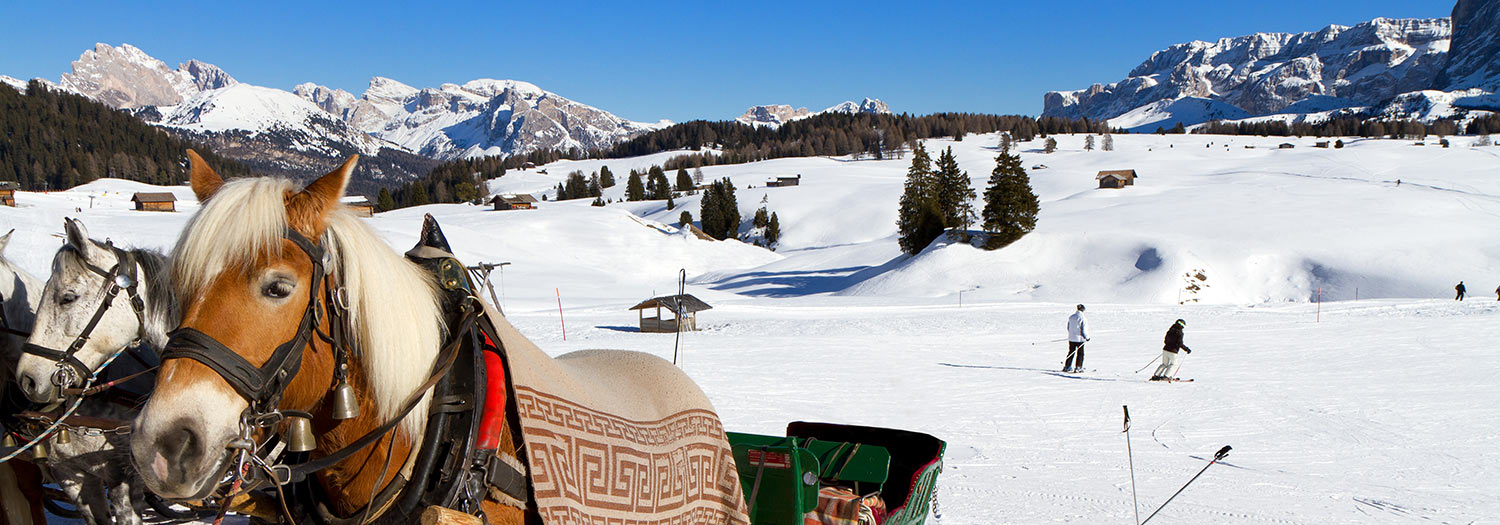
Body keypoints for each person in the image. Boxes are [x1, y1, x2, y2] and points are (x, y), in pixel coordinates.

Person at [1063, 304, 1089, 373]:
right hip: (1079, 339)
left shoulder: (1071, 317)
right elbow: (1083, 330)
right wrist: (1087, 337)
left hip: (1071, 338)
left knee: (1071, 352)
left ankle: (1067, 366)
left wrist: (1071, 335)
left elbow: (1068, 327)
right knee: (1080, 353)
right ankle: (1078, 367)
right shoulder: (1083, 318)